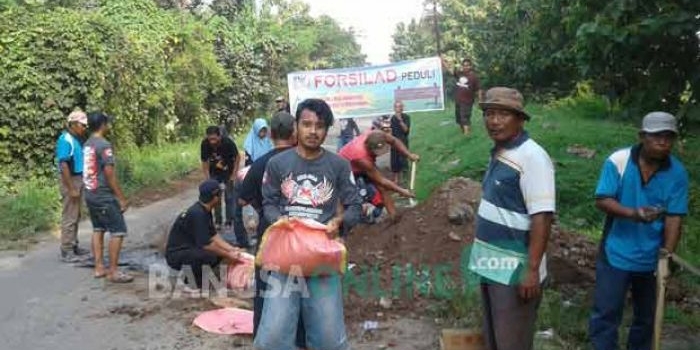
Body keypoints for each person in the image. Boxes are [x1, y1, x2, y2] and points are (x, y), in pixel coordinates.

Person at [254, 98, 362, 350]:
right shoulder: (277, 164)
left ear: (327, 129)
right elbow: (267, 203)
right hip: (284, 258)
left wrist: (339, 222)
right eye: (307, 124)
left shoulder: (339, 165)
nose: (313, 131)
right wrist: (278, 220)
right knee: (273, 337)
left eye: (320, 125)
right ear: (296, 128)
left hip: (322, 256)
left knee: (328, 339)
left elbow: (355, 206)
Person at [589, 112, 688, 350]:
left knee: (646, 318)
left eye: (668, 137)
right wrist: (634, 214)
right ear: (642, 136)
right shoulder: (619, 161)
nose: (662, 142)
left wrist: (667, 255)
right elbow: (602, 200)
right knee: (606, 313)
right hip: (616, 252)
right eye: (656, 136)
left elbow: (675, 217)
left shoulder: (677, 173)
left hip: (651, 257)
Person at [467, 87, 555, 350]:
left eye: (503, 114)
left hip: (515, 269)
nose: (494, 121)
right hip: (491, 263)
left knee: (512, 341)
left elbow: (542, 217)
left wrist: (530, 270)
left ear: (520, 119)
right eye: (489, 114)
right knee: (494, 337)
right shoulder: (501, 151)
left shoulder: (533, 157)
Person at [236, 111, 306, 348]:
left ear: (272, 135)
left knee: (266, 288)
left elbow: (243, 199)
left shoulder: (260, 164)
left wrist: (262, 207)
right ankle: (301, 339)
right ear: (295, 132)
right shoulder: (304, 161)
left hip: (270, 235)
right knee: (301, 287)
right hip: (302, 235)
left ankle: (263, 338)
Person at [165, 179, 246, 290]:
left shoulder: (204, 210)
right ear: (215, 198)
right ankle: (190, 281)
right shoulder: (198, 214)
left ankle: (200, 275)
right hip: (177, 254)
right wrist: (228, 255)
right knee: (208, 255)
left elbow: (213, 235)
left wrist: (232, 249)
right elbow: (206, 245)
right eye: (220, 194)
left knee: (218, 252)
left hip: (189, 248)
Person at [83, 112, 133, 283]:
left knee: (98, 229)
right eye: (107, 123)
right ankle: (113, 271)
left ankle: (99, 267)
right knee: (118, 231)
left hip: (90, 193)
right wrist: (121, 197)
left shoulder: (87, 144)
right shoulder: (104, 145)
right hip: (103, 195)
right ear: (103, 124)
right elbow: (109, 173)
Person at [338, 128, 419, 221]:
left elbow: (394, 141)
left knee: (382, 188)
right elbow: (381, 180)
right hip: (344, 169)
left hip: (359, 160)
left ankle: (394, 217)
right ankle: (346, 222)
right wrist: (402, 191)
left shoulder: (378, 135)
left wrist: (409, 155)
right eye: (377, 153)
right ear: (370, 149)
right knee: (348, 198)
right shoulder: (362, 159)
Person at [55, 110, 91, 262]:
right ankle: (67, 250)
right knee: (70, 215)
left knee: (76, 214)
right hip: (70, 179)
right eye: (82, 125)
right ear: (74, 124)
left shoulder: (76, 139)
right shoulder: (66, 139)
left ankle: (74, 245)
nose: (84, 128)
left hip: (78, 178)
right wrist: (71, 188)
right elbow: (63, 164)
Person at [200, 125, 240, 230]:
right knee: (215, 198)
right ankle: (218, 221)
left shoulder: (228, 143)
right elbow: (205, 161)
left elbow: (237, 157)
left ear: (219, 136)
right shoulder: (205, 144)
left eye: (214, 139)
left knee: (229, 197)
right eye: (210, 139)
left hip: (228, 172)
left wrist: (234, 175)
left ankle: (229, 220)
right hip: (214, 174)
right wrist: (207, 178)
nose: (212, 141)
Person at [441, 55, 483, 136]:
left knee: (465, 117)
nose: (465, 67)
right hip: (458, 100)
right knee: (459, 118)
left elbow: (479, 89)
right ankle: (465, 131)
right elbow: (450, 70)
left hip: (467, 101)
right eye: (464, 65)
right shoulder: (460, 74)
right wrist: (443, 61)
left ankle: (466, 135)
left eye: (467, 65)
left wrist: (480, 100)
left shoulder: (474, 77)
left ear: (470, 66)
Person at [389, 101, 411, 184]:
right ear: (394, 108)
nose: (398, 109)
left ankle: (406, 179)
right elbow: (390, 131)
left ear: (402, 108)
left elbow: (406, 130)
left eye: (400, 107)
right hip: (394, 142)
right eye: (397, 107)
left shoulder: (406, 117)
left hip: (403, 141)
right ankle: (396, 180)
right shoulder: (392, 118)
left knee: (403, 160)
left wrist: (400, 120)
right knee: (394, 161)